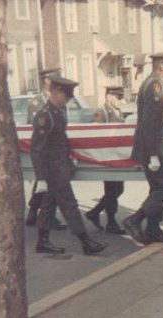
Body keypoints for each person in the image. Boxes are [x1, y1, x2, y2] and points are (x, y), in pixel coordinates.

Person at [30, 75, 107, 255]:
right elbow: (37, 149)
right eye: (66, 95)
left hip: (59, 168)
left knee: (49, 205)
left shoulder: (57, 112)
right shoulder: (45, 115)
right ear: (56, 93)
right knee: (69, 205)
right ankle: (86, 242)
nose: (69, 99)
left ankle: (42, 242)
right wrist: (41, 178)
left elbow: (61, 142)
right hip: (53, 171)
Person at [123, 52, 163, 245]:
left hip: (155, 147)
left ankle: (153, 229)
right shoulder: (154, 86)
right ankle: (134, 220)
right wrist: (154, 155)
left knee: (158, 189)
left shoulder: (155, 84)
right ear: (162, 66)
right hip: (154, 149)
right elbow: (149, 123)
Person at [26, 67, 67, 230]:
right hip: (45, 150)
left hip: (56, 151)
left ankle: (42, 214)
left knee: (48, 184)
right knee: (43, 182)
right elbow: (36, 130)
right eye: (55, 79)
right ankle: (34, 212)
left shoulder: (59, 100)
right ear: (47, 81)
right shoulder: (37, 102)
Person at [85, 86, 126, 234]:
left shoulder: (118, 112)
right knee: (112, 189)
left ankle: (94, 213)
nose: (122, 100)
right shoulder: (101, 113)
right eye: (118, 97)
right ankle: (111, 222)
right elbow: (93, 133)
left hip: (116, 157)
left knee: (118, 189)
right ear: (109, 96)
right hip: (106, 159)